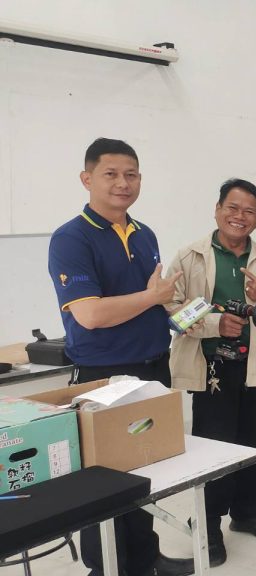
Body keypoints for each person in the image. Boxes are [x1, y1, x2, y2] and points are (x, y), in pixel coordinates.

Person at [47, 138, 194, 576]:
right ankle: (106, 568)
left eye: (131, 174)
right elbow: (90, 315)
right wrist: (152, 297)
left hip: (153, 369)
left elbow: (152, 303)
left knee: (146, 467)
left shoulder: (144, 234)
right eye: (110, 174)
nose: (122, 183)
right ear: (87, 178)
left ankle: (146, 559)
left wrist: (181, 316)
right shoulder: (71, 238)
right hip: (105, 377)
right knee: (103, 479)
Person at [166, 178, 256, 566]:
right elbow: (171, 312)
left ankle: (246, 511)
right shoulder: (190, 256)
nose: (240, 216)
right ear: (217, 209)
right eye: (232, 208)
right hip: (211, 367)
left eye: (249, 211)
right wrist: (213, 325)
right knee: (215, 445)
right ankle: (207, 523)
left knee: (255, 441)